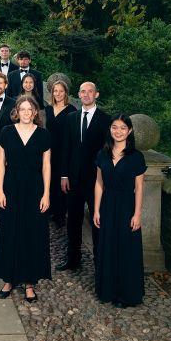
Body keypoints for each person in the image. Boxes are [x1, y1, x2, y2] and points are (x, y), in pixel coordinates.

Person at [0, 95, 51, 303]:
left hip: (35, 188)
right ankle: (8, 279)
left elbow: (47, 166)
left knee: (32, 233)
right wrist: (0, 190)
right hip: (11, 186)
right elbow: (1, 162)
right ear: (16, 111)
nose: (26, 113)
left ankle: (29, 283)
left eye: (30, 110)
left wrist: (46, 193)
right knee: (9, 231)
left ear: (36, 112)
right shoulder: (6, 132)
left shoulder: (44, 135)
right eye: (23, 109)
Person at [93, 114, 146, 307]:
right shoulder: (103, 154)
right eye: (115, 127)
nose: (118, 131)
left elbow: (139, 187)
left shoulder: (136, 157)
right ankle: (107, 290)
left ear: (129, 131)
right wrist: (96, 210)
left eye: (123, 128)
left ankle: (126, 294)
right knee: (107, 247)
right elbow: (99, 183)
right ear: (110, 130)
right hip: (107, 204)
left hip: (127, 206)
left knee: (126, 249)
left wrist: (137, 214)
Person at [58, 82, 111, 271]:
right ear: (78, 95)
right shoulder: (71, 118)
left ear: (96, 94)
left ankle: (100, 261)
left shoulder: (106, 120)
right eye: (83, 91)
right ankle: (73, 259)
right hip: (73, 178)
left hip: (96, 179)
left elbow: (108, 151)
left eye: (90, 91)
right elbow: (66, 148)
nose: (86, 94)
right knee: (73, 220)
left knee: (98, 221)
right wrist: (64, 175)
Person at [45, 80, 77, 228]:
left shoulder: (71, 110)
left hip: (65, 150)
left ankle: (60, 215)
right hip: (49, 150)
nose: (58, 94)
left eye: (61, 91)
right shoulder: (48, 109)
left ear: (66, 93)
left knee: (62, 182)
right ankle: (49, 210)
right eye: (55, 91)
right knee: (49, 179)